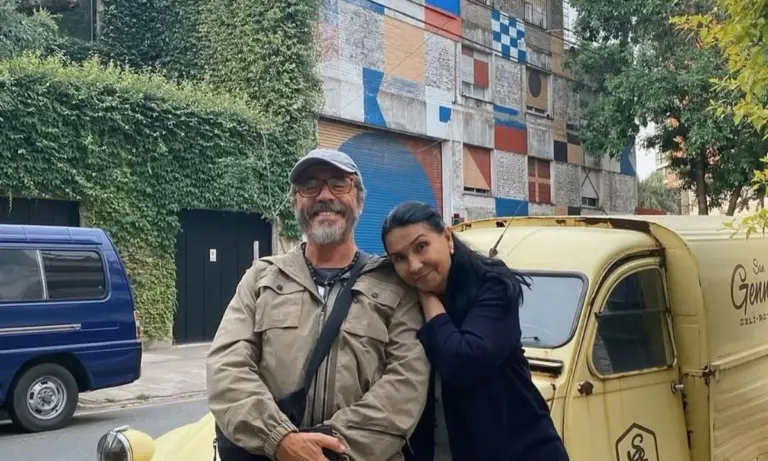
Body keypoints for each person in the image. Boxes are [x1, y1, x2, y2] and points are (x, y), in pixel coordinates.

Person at [207, 149, 431, 461]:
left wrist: (326, 453)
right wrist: (280, 439)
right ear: (294, 202)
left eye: (339, 184)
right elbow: (226, 367)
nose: (324, 195)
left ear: (359, 199)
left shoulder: (393, 284)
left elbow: (406, 386)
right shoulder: (261, 278)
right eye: (309, 186)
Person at [381, 201, 570, 461]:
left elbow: (463, 362)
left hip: (520, 451)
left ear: (447, 238)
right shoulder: (401, 304)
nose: (414, 266)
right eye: (399, 258)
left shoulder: (492, 286)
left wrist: (428, 298)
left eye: (421, 247)